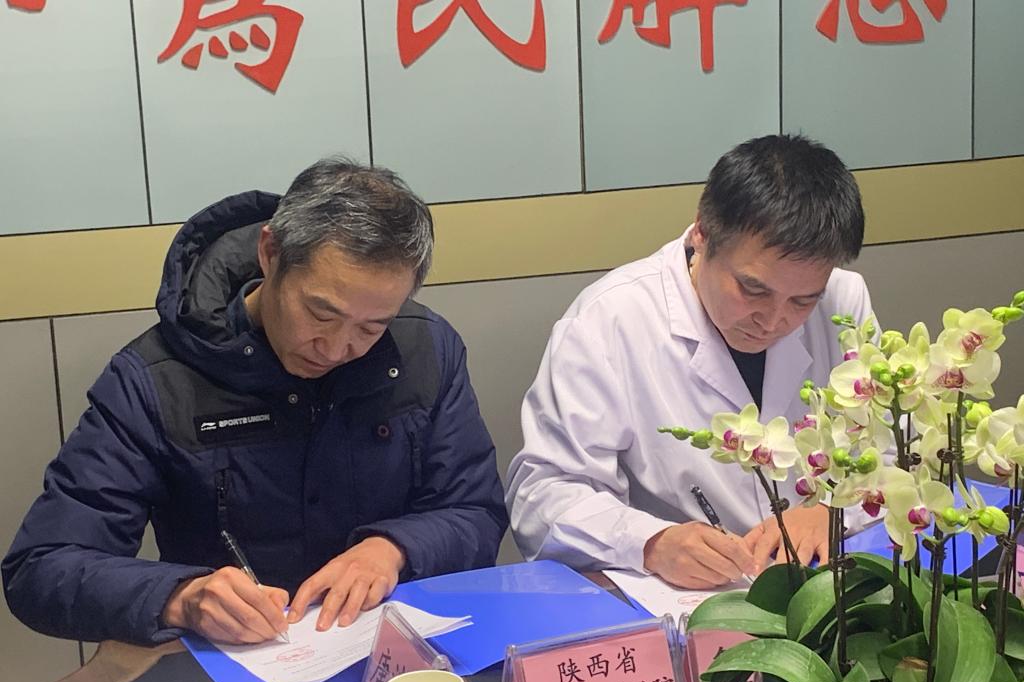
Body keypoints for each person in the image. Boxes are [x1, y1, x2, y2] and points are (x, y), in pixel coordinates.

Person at [3, 158, 507, 646]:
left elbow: (475, 510)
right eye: (321, 314)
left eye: (371, 327)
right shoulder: (157, 379)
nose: (336, 349)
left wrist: (393, 549)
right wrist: (180, 597)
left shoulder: (425, 349)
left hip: (393, 654)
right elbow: (42, 566)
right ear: (271, 253)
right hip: (231, 665)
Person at [507, 135, 873, 589]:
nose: (773, 320)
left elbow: (895, 454)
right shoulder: (610, 319)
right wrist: (649, 542)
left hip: (821, 586)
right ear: (702, 233)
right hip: (684, 599)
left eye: (802, 300)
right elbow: (543, 495)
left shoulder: (843, 302)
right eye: (753, 290)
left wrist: (834, 510)